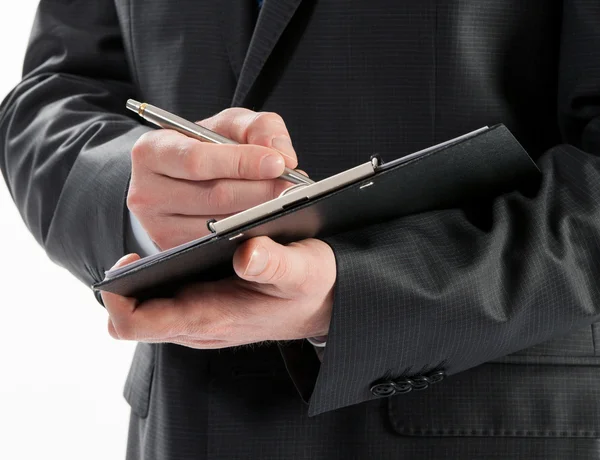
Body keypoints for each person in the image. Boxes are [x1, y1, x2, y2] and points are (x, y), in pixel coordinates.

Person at [1, 0, 600, 458]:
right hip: (186, 428)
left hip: (476, 427)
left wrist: (359, 291)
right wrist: (145, 204)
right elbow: (54, 92)